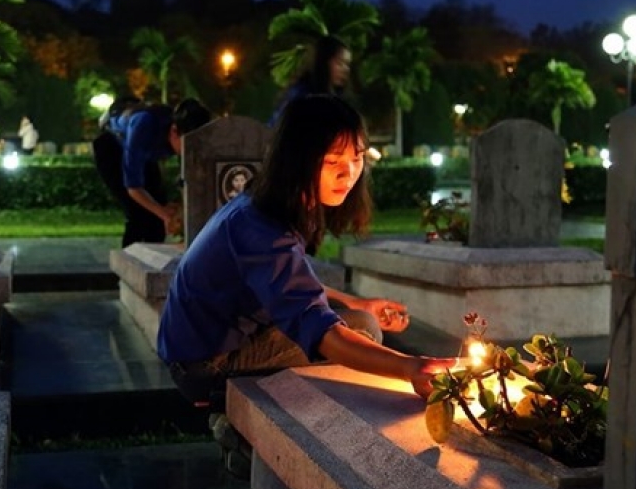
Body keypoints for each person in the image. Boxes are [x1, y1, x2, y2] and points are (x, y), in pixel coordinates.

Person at [158, 95, 456, 412]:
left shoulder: (269, 204)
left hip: (202, 349)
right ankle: (262, 419)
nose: (349, 173)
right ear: (298, 159)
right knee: (361, 329)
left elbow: (290, 280)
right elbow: (321, 330)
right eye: (332, 161)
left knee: (359, 317)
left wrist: (353, 301)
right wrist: (410, 367)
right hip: (205, 366)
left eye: (357, 157)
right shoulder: (260, 228)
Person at [93, 97, 212, 247]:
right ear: (174, 131)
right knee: (138, 213)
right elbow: (133, 188)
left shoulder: (184, 136)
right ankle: (131, 261)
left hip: (146, 152)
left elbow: (189, 181)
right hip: (112, 147)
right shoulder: (143, 124)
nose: (190, 153)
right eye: (188, 146)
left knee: (157, 217)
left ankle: (153, 260)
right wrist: (165, 215)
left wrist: (181, 210)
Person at [266, 35, 352, 127]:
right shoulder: (300, 96)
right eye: (339, 63)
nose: (345, 69)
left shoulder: (335, 101)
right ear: (323, 63)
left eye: (347, 64)